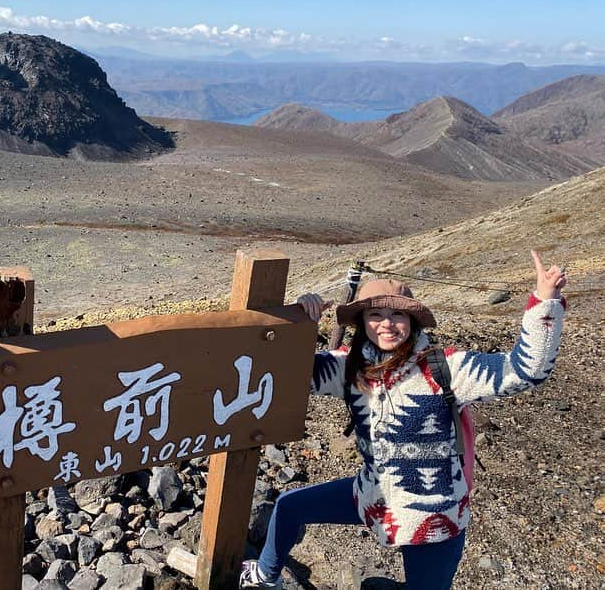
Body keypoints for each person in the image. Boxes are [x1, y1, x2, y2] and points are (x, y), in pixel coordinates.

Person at [240, 250, 567, 589]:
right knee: (290, 506)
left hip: (434, 519)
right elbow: (289, 374)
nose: (386, 323)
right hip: (373, 495)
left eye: (397, 314)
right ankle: (265, 575)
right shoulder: (349, 368)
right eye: (375, 314)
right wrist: (299, 321)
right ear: (362, 322)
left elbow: (524, 371)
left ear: (412, 321)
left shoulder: (447, 368)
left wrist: (544, 302)